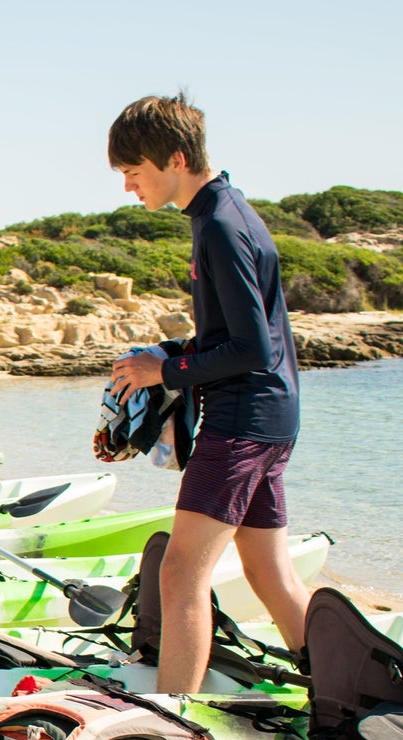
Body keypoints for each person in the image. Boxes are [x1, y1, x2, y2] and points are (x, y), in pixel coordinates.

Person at [107, 92, 308, 693]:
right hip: (268, 417)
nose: (128, 189)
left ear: (173, 158)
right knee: (270, 572)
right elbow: (243, 336)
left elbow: (254, 349)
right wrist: (171, 354)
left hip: (242, 420)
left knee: (180, 572)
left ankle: (174, 719)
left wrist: (162, 374)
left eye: (133, 173)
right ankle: (341, 694)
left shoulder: (221, 225)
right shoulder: (225, 213)